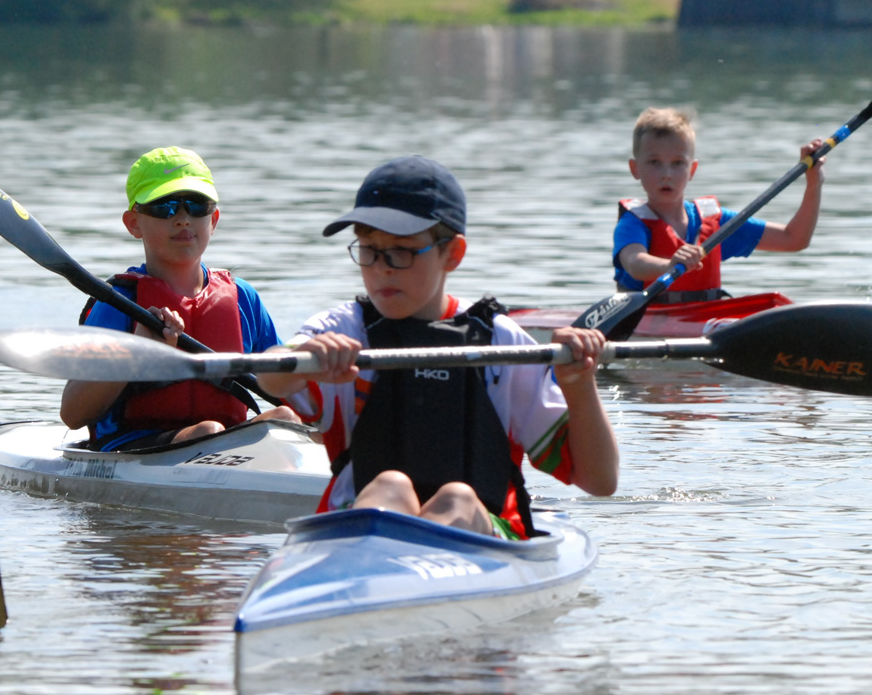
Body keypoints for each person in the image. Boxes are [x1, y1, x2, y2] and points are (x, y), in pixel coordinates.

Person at [255, 156, 618, 539]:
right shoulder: (342, 330)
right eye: (369, 250)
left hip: (483, 529)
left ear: (453, 253)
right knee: (389, 486)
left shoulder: (501, 342)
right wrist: (305, 362)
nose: (381, 269)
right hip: (364, 522)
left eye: (401, 251)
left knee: (457, 498)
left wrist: (580, 385)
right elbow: (269, 375)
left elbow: (600, 480)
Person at [60, 146, 300, 452]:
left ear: (213, 219)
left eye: (197, 206)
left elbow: (292, 390)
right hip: (132, 445)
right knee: (208, 431)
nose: (184, 219)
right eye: (165, 207)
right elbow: (73, 415)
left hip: (228, 445)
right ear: (134, 223)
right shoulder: (118, 303)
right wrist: (133, 352)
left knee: (284, 417)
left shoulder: (243, 298)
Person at [614, 107, 826, 299]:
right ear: (635, 169)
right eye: (654, 163)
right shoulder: (633, 224)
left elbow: (794, 239)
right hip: (645, 320)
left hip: (705, 320)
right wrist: (668, 265)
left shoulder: (715, 223)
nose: (666, 174)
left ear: (692, 170)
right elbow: (634, 263)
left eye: (678, 163)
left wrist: (814, 184)